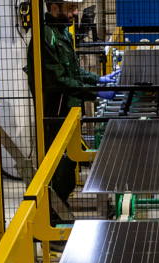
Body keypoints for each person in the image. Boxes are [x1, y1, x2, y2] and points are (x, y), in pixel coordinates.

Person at [28, 0, 118, 210]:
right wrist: (97, 92)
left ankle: (61, 209)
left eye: (76, 8)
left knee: (68, 167)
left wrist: (99, 79)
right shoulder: (45, 37)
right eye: (71, 9)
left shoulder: (64, 34)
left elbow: (75, 73)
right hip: (54, 114)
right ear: (54, 8)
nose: (76, 13)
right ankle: (52, 216)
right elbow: (59, 82)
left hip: (70, 112)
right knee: (58, 169)